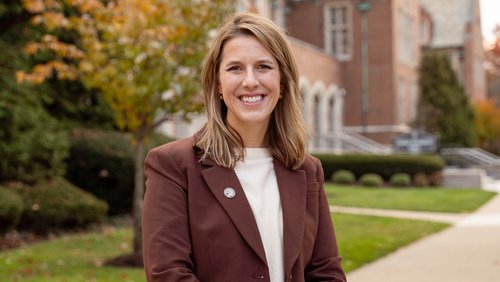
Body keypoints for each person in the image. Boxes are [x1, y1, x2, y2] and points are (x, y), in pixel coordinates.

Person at [142, 12, 346, 282]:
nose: (250, 81)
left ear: (282, 83)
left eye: (263, 66)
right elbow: (169, 274)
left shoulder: (308, 170)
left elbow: (326, 271)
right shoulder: (173, 165)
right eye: (235, 68)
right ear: (218, 84)